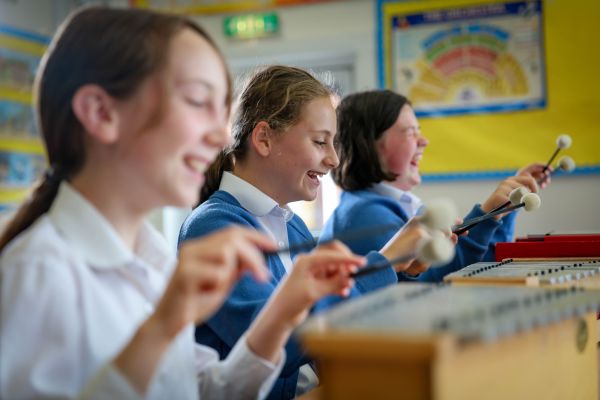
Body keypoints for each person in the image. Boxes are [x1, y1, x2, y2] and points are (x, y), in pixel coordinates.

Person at [0, 8, 367, 400]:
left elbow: (207, 389)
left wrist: (283, 311)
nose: (220, 136)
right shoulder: (38, 272)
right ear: (101, 113)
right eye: (196, 101)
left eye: (220, 111)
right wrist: (162, 327)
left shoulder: (152, 254)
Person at [178, 66, 434, 399]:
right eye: (320, 142)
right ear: (264, 139)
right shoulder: (213, 227)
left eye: (333, 144)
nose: (333, 159)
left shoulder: (292, 225)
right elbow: (277, 342)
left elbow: (326, 328)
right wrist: (385, 263)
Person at [321, 89, 550, 281]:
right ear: (368, 144)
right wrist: (488, 214)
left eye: (419, 130)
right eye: (410, 132)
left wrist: (503, 209)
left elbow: (481, 266)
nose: (424, 140)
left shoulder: (398, 206)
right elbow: (439, 281)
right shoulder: (365, 215)